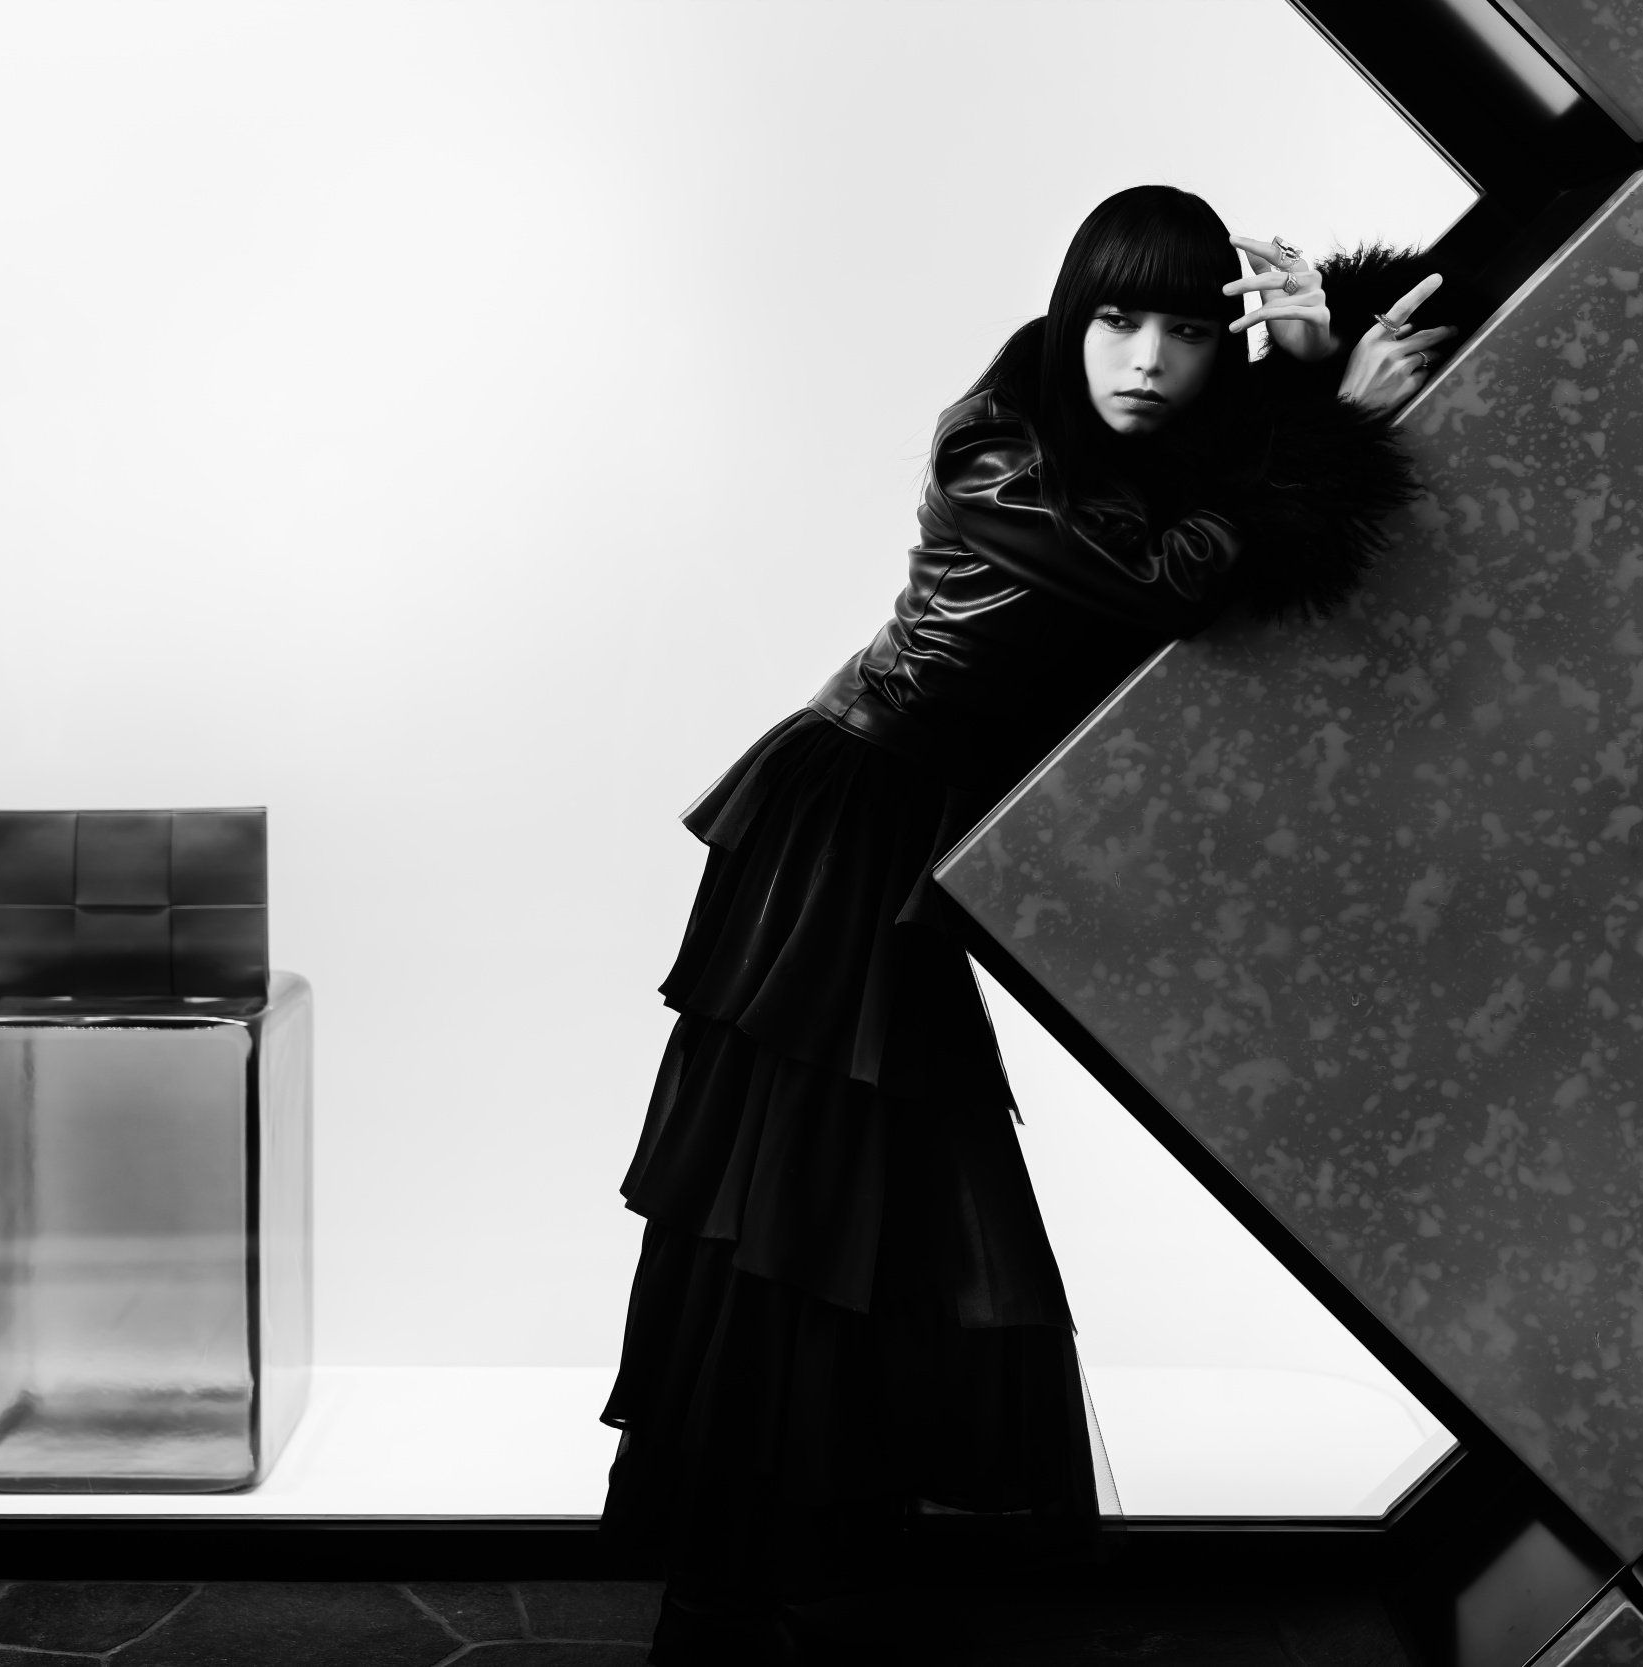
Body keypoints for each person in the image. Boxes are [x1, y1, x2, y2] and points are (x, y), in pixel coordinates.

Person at [598, 184, 1453, 1664]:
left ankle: (795, 1566)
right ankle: (740, 1581)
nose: (1148, 360)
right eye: (1117, 320)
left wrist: (1309, 372)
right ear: (1070, 318)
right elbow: (1174, 578)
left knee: (867, 1208)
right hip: (844, 829)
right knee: (799, 1206)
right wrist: (1333, 415)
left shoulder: (1143, 447)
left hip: (912, 837)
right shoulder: (995, 447)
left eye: (1190, 333)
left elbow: (1228, 526)